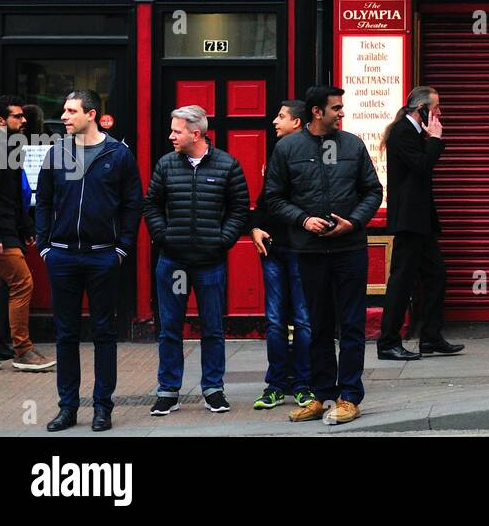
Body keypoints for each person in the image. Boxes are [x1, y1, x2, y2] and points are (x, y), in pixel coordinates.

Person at [262, 85, 382, 426]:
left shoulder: (353, 145)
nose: (341, 113)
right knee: (316, 326)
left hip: (350, 248)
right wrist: (303, 219)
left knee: (352, 325)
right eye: (336, 108)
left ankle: (348, 397)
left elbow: (373, 190)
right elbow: (273, 196)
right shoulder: (287, 148)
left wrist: (354, 221)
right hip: (309, 250)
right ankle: (320, 395)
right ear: (317, 112)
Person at [37, 89, 144, 432]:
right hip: (63, 256)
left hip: (102, 257)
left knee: (104, 333)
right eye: (64, 111)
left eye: (71, 111)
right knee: (66, 334)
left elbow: (132, 204)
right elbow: (43, 202)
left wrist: (122, 248)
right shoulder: (57, 153)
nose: (64, 117)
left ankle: (102, 407)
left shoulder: (118, 154)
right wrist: (44, 247)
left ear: (91, 114)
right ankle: (67, 408)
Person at [143, 105, 250, 416]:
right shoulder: (166, 165)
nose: (171, 136)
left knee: (213, 327)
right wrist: (164, 236)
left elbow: (239, 209)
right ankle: (168, 391)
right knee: (170, 328)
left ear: (196, 134)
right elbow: (151, 205)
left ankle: (213, 389)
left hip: (210, 263)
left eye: (177, 131)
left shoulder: (227, 165)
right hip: (173, 261)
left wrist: (222, 240)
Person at [377, 86, 463, 360]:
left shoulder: (413, 132)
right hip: (409, 220)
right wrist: (436, 139)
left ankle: (430, 337)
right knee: (401, 280)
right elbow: (422, 167)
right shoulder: (403, 131)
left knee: (436, 275)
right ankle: (388, 342)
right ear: (421, 109)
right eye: (436, 107)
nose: (439, 113)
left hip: (420, 220)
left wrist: (430, 139)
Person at [250, 100, 314, 410]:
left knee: (302, 319)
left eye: (281, 116)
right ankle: (276, 385)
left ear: (298, 123)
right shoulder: (277, 152)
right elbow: (265, 198)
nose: (275, 121)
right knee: (275, 320)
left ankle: (302, 384)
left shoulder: (308, 154)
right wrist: (256, 227)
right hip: (274, 247)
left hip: (301, 248)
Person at [0, 96, 52, 372]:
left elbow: (9, 195)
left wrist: (25, 227)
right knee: (22, 283)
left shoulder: (4, 146)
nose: (23, 121)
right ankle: (23, 350)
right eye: (17, 117)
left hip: (2, 230)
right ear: (1, 121)